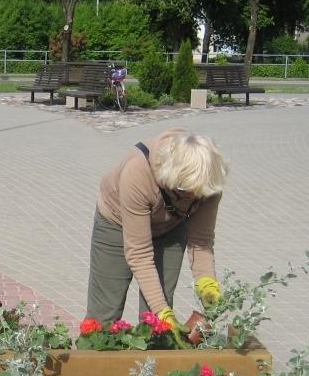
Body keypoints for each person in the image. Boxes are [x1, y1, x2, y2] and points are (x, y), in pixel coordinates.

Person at [86, 129, 227, 334]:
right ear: (171, 177)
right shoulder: (138, 173)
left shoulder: (209, 182)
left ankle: (151, 361)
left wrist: (207, 283)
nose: (192, 197)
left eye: (198, 193)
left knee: (156, 324)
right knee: (104, 314)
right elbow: (139, 254)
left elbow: (201, 242)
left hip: (169, 228)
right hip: (116, 224)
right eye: (185, 191)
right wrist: (163, 312)